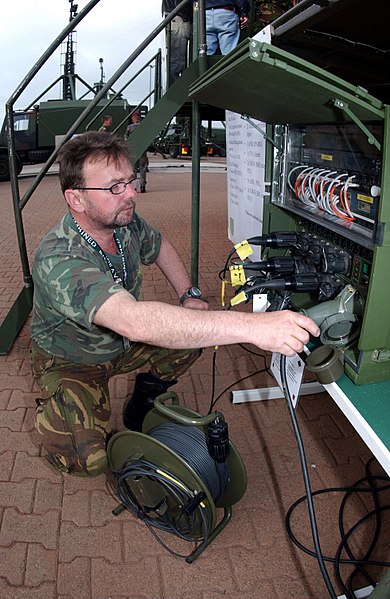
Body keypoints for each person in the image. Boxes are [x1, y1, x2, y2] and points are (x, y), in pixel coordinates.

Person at [30, 131, 319, 478]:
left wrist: (189, 296)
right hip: (73, 361)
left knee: (193, 333)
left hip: (121, 344)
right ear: (76, 199)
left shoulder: (124, 223)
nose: (131, 194)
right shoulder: (59, 257)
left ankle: (144, 398)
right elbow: (134, 322)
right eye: (115, 187)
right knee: (88, 463)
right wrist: (254, 327)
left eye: (130, 181)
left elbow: (161, 245)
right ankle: (57, 406)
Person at [162, 0, 193, 85]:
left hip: (176, 18)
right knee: (177, 59)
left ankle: (176, 87)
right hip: (179, 18)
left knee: (176, 58)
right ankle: (176, 88)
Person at [124, 111, 148, 193]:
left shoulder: (130, 127)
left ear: (133, 118)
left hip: (133, 150)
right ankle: (142, 186)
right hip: (142, 150)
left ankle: (133, 186)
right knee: (143, 168)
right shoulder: (144, 127)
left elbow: (125, 137)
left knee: (133, 169)